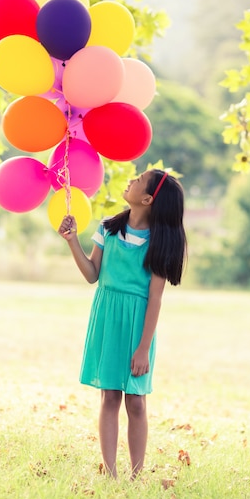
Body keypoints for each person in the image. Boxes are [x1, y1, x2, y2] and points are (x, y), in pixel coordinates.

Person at [58, 169, 187, 479]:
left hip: (138, 324)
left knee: (136, 401)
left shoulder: (161, 242)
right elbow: (92, 274)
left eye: (139, 180)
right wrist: (72, 241)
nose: (131, 179)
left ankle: (137, 474)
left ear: (147, 198)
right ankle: (111, 472)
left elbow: (155, 298)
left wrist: (143, 348)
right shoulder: (109, 228)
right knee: (110, 395)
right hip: (107, 317)